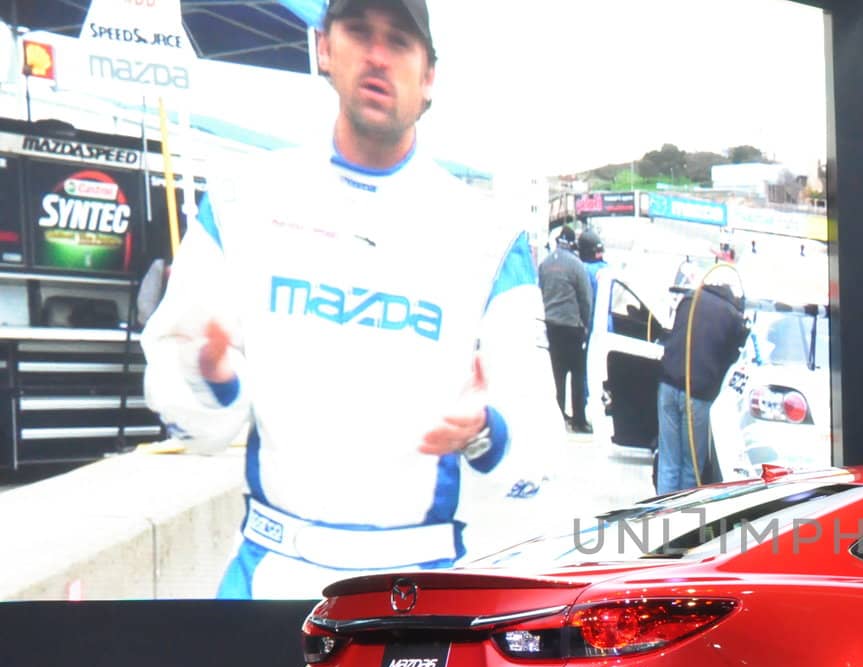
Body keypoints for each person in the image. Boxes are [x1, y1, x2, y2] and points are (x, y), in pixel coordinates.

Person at [142, 0, 560, 599]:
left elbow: (538, 451)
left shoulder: (490, 237)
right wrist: (210, 376)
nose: (378, 56)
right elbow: (188, 414)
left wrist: (484, 430)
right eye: (359, 32)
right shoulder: (244, 201)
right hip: (269, 572)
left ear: (430, 75)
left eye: (400, 41)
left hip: (420, 587)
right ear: (323, 48)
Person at [657, 276, 747, 492]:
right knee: (691, 466)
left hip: (668, 386)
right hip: (698, 395)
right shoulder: (732, 316)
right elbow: (731, 359)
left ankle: (660, 513)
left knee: (668, 462)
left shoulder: (690, 299)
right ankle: (683, 518)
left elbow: (673, 335)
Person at [538, 226, 593, 432]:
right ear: (572, 244)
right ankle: (579, 421)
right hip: (572, 327)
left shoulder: (544, 264)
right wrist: (585, 325)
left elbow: (540, 292)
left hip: (551, 327)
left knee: (556, 375)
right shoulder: (577, 266)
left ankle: (557, 416)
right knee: (577, 374)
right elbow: (586, 299)